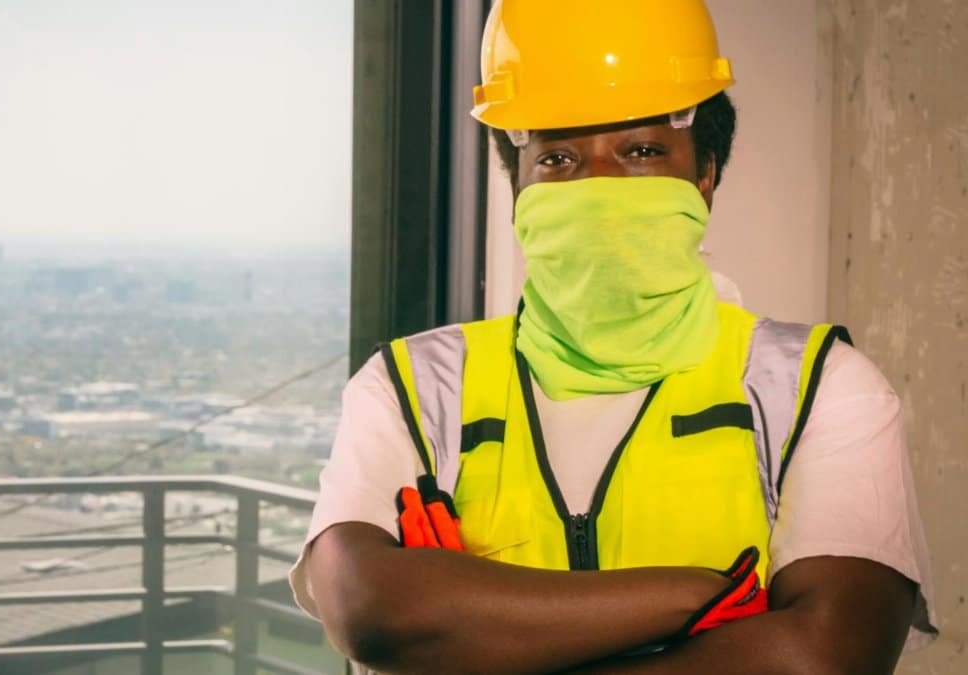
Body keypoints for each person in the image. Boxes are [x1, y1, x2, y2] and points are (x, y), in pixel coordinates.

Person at [292, 1, 938, 673]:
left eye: (641, 151)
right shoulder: (415, 387)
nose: (598, 184)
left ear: (706, 173)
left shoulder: (817, 389)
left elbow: (822, 657)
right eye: (559, 158)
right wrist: (698, 595)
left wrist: (473, 628)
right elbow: (367, 605)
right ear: (518, 187)